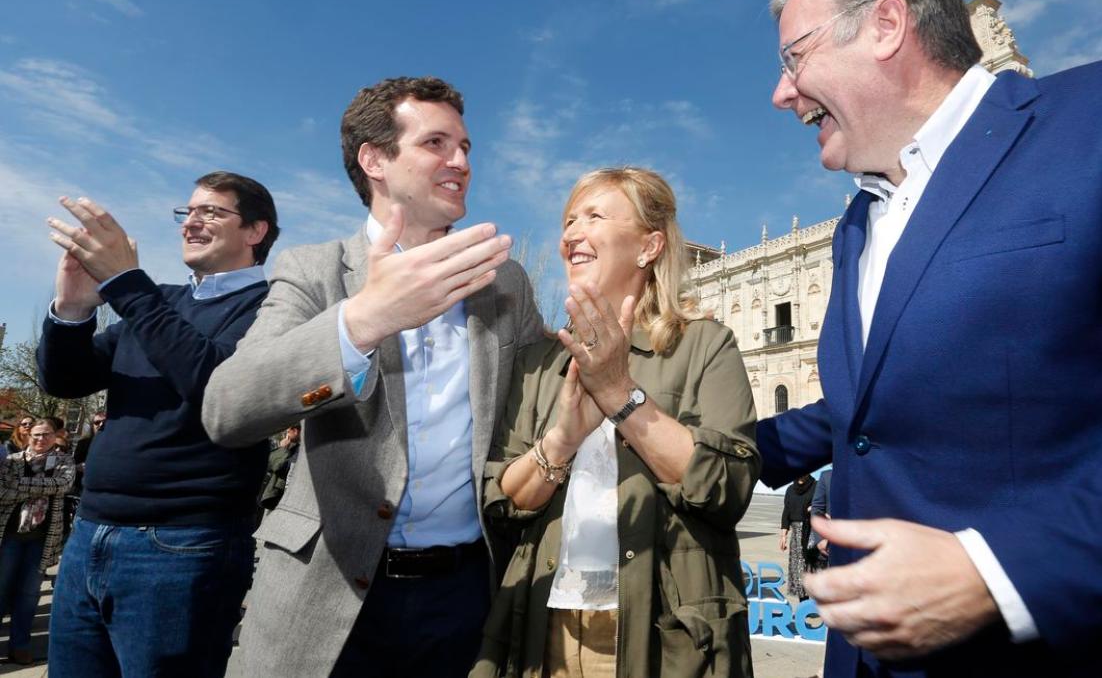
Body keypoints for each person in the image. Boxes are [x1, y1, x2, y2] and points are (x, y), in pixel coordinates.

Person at [755, 0, 1102, 678]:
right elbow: (866, 414)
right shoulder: (859, 223)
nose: (781, 91)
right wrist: (705, 447)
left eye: (795, 58)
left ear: (887, 26)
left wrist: (998, 571)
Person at [202, 76, 544, 678]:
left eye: (466, 147)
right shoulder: (315, 271)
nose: (461, 161)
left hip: (465, 598)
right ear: (375, 159)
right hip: (327, 593)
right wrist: (362, 322)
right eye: (437, 143)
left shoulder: (503, 280)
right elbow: (228, 408)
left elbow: (550, 395)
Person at [472, 167, 758, 678]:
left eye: (594, 216)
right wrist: (560, 441)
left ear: (649, 247)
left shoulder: (705, 346)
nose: (569, 234)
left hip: (666, 637)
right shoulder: (539, 361)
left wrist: (619, 393)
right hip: (545, 626)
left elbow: (725, 486)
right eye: (568, 220)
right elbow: (500, 498)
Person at [37, 171, 279, 678]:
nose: (191, 222)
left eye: (211, 212)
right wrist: (74, 310)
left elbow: (214, 382)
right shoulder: (160, 301)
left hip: (181, 548)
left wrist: (127, 284)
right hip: (88, 537)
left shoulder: (273, 308)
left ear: (256, 231)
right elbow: (66, 379)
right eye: (186, 212)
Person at [0, 419, 75, 665]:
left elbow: (64, 484)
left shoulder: (64, 460)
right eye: (35, 435)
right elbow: (3, 492)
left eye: (45, 435)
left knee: (29, 595)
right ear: (27, 436)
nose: (40, 439)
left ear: (55, 436)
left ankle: (19, 646)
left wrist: (22, 485)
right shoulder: (12, 461)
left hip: (42, 539)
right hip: (9, 536)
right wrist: (45, 488)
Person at [779, 473, 815, 599]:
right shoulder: (790, 489)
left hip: (811, 532)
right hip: (795, 534)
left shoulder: (815, 486)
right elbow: (786, 512)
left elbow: (822, 505)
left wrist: (813, 508)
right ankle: (803, 601)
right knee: (797, 568)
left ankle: (814, 602)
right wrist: (783, 535)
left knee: (810, 567)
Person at [258, 425, 301, 513]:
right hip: (275, 496)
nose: (286, 435)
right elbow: (269, 463)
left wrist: (283, 449)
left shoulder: (297, 450)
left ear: (295, 431)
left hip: (282, 497)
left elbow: (278, 466)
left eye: (288, 432)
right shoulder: (292, 449)